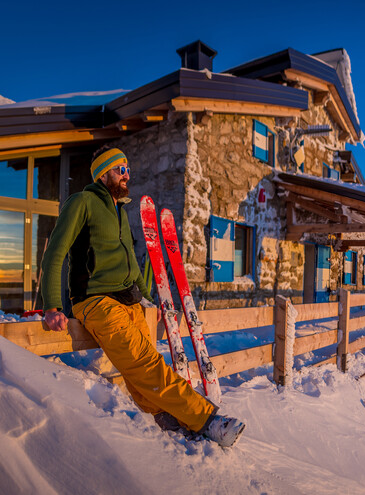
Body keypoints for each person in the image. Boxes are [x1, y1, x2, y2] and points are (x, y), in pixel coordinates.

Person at [41, 147, 246, 448]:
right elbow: (55, 253)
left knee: (138, 371)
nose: (127, 174)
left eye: (127, 169)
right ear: (103, 173)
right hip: (96, 301)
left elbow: (133, 265)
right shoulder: (82, 202)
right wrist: (51, 306)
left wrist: (150, 299)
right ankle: (207, 420)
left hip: (130, 300)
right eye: (120, 169)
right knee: (146, 363)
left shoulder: (120, 212)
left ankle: (170, 419)